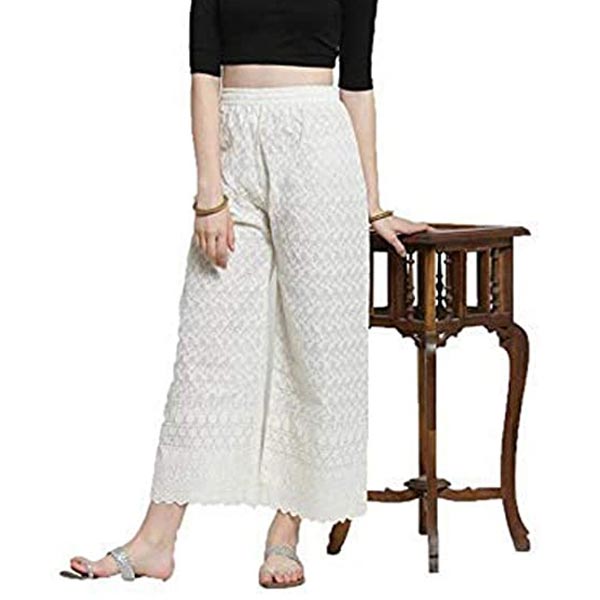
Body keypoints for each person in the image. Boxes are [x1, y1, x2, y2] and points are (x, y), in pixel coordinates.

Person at [61, 0, 431, 589]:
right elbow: (203, 74)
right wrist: (209, 194)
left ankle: (286, 533)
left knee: (317, 349)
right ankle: (156, 540)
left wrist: (373, 205)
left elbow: (357, 84)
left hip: (319, 146)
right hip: (234, 148)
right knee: (206, 352)